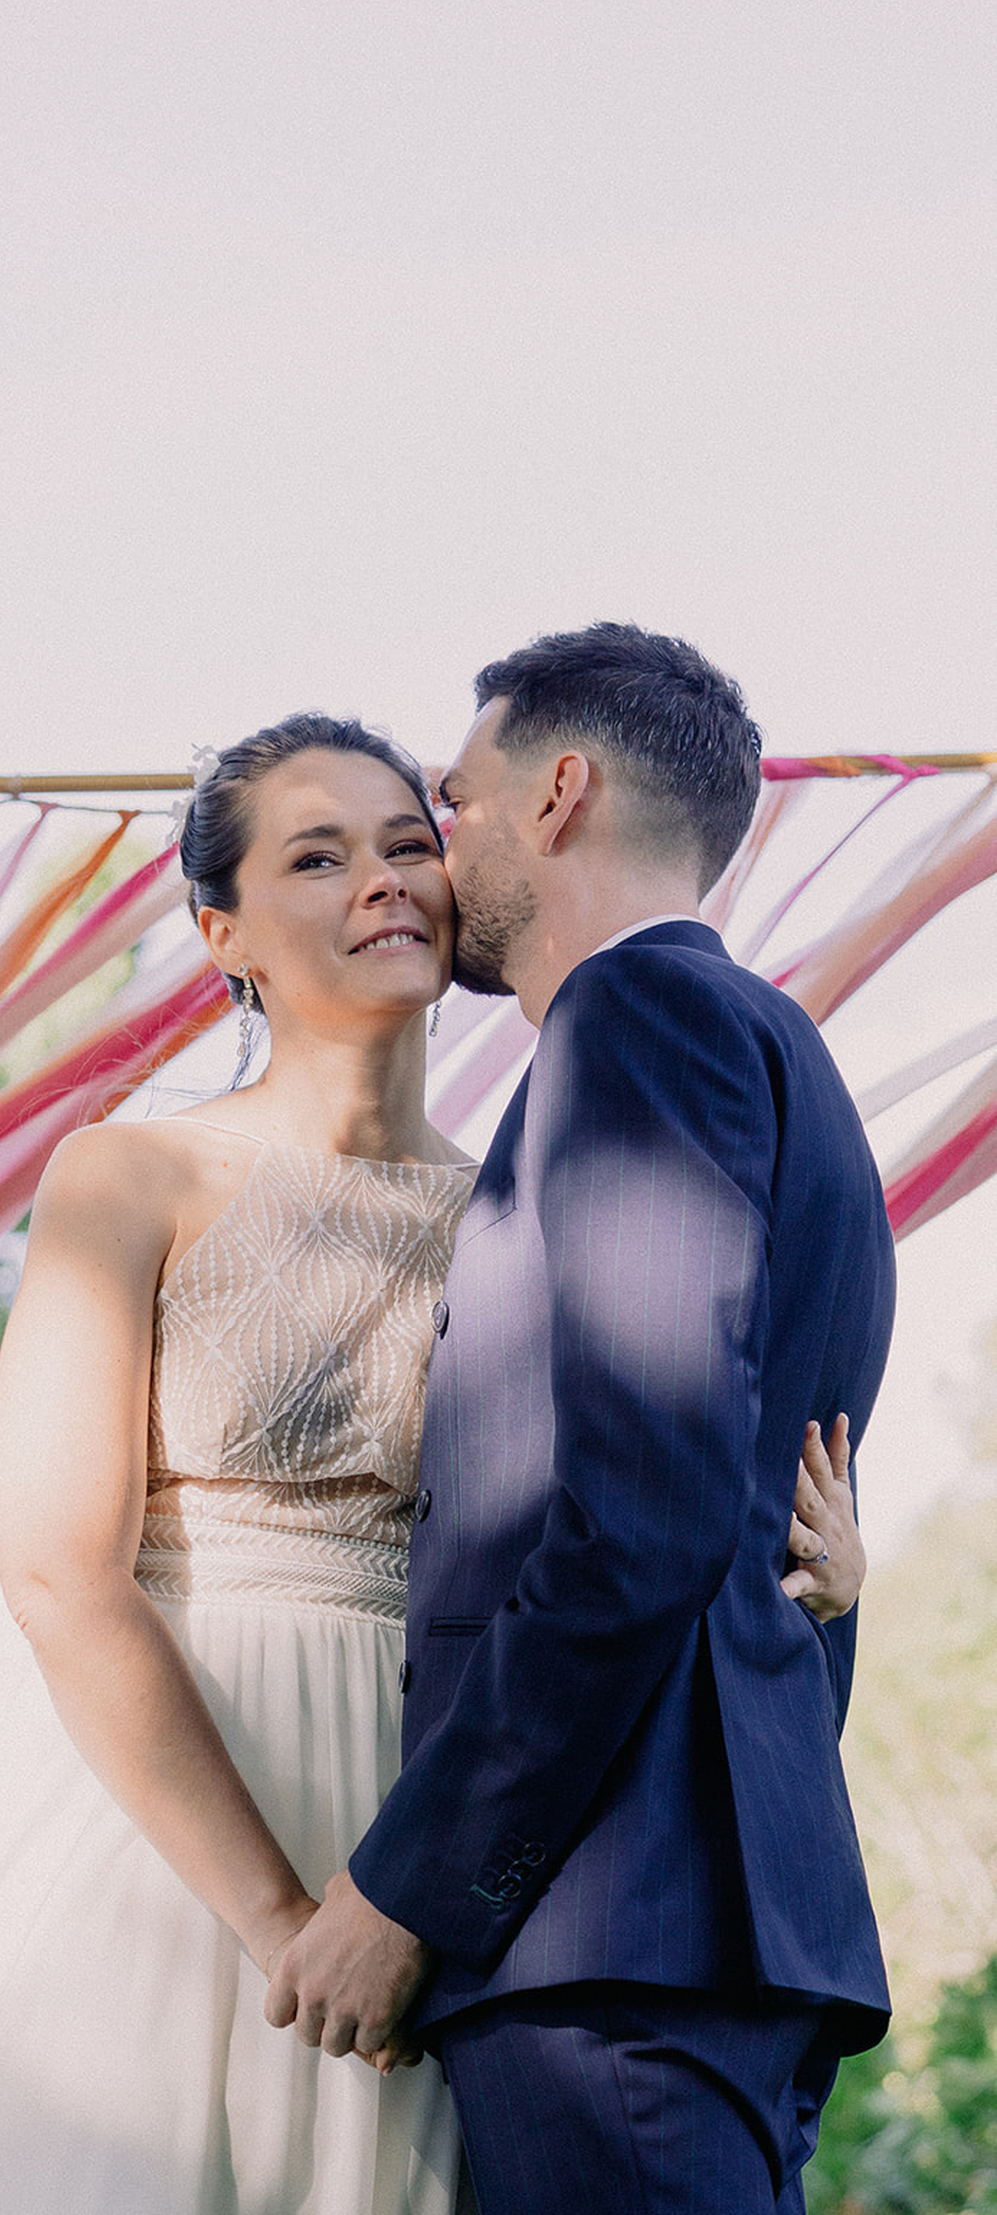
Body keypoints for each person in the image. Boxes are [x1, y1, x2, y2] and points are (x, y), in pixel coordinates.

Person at [0, 706, 867, 2215]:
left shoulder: (531, 1189)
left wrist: (814, 1576)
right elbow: (60, 1573)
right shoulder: (132, 1171)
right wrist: (280, 1922)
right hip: (175, 1826)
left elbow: (655, 1484)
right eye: (317, 857)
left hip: (460, 1821)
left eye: (406, 842)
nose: (383, 880)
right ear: (220, 933)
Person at [265, 628, 895, 2215]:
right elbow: (766, 1524)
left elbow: (648, 1515)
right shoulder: (781, 1055)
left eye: (452, 801)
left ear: (559, 793)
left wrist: (417, 1890)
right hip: (709, 1927)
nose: (435, 844)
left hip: (607, 1942)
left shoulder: (635, 1029)